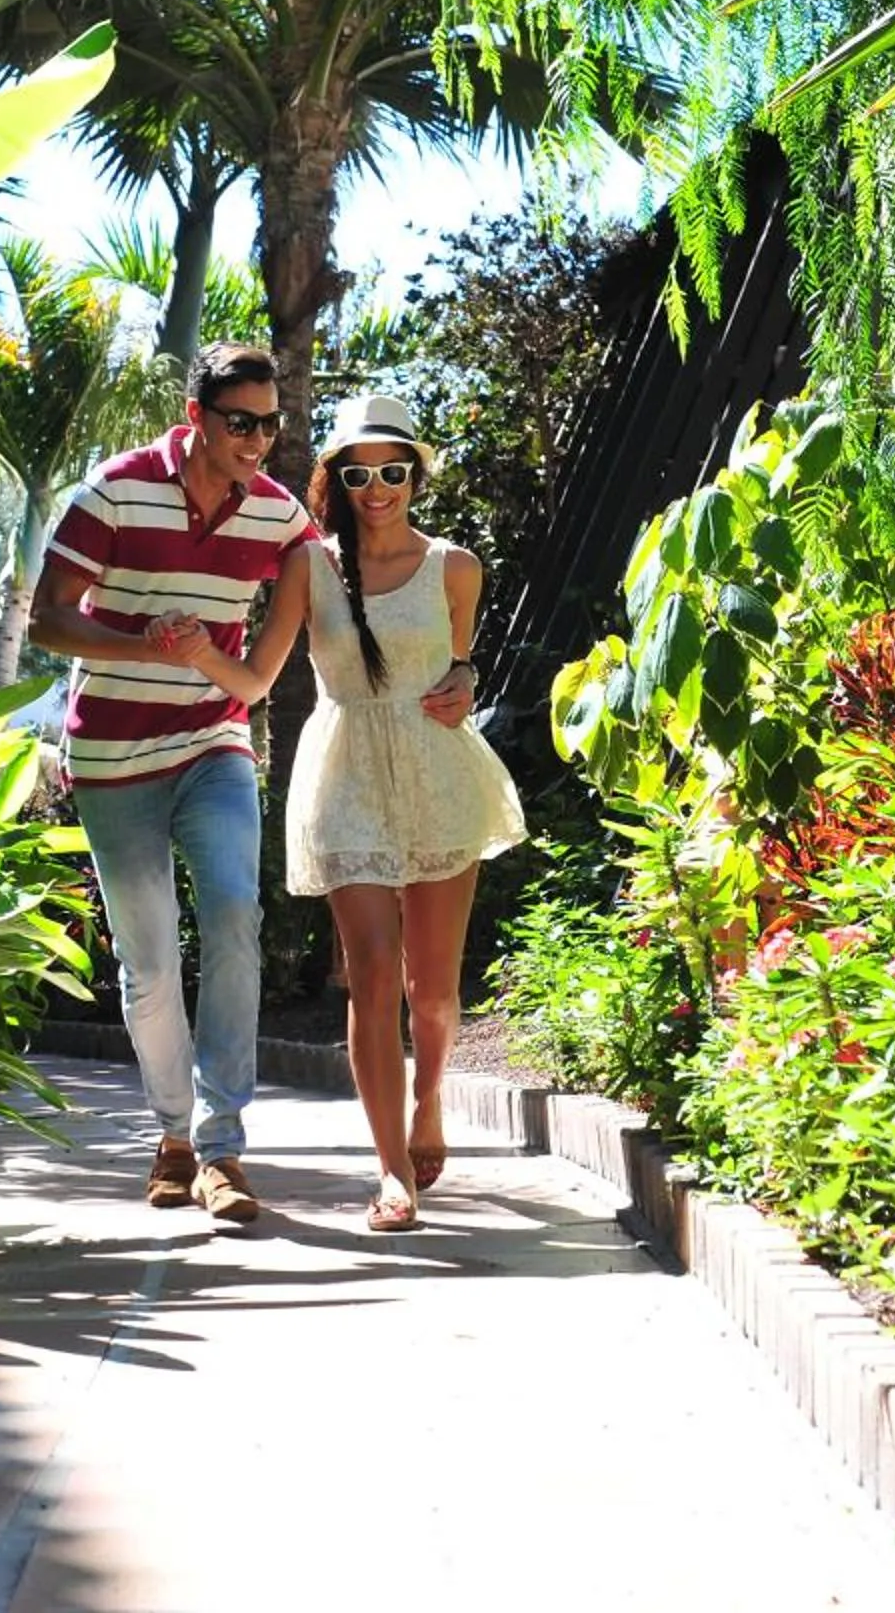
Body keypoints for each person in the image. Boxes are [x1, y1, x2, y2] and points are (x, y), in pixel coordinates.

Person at [179, 394, 528, 1231]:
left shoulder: (456, 567)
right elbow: (257, 678)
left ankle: (430, 1100)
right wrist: (197, 655)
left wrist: (466, 679)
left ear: (416, 476)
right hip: (345, 778)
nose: (377, 489)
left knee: (432, 992)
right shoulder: (309, 566)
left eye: (394, 472)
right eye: (359, 474)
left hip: (437, 773)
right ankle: (393, 1171)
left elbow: (458, 663)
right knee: (372, 974)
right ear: (336, 478)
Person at [29, 343, 314, 1224]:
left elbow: (328, 581)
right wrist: (143, 646)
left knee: (233, 916)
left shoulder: (278, 516)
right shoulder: (114, 491)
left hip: (212, 745)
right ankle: (173, 1138)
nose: (257, 440)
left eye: (270, 425)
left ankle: (222, 1147)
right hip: (113, 760)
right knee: (149, 962)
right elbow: (47, 622)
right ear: (197, 417)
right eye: (240, 423)